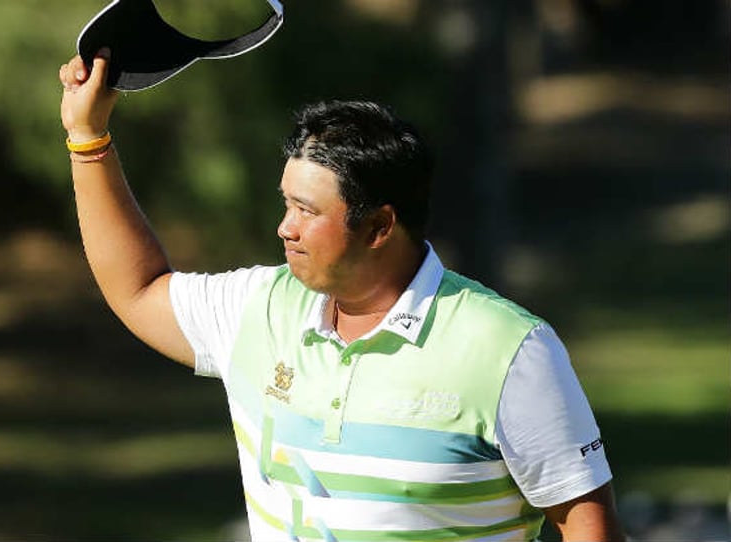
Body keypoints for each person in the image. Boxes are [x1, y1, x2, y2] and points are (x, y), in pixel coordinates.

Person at [58, 49, 624, 541]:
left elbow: (586, 524)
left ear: (379, 227)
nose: (285, 227)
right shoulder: (259, 308)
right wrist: (88, 139)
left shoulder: (511, 351)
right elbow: (138, 290)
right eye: (286, 204)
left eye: (306, 211)